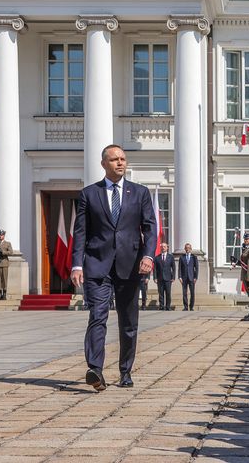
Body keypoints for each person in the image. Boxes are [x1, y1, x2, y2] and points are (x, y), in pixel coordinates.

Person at [71, 144, 157, 391]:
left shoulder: (139, 193)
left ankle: (125, 371)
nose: (120, 163)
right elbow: (81, 233)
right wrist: (77, 264)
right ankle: (95, 370)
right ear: (103, 164)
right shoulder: (89, 194)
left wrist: (149, 256)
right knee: (97, 317)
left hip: (130, 267)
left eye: (123, 159)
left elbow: (150, 229)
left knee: (128, 322)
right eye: (114, 159)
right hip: (97, 265)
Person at [154, 243, 175, 310]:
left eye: (164, 246)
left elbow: (173, 267)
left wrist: (173, 277)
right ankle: (161, 306)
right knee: (161, 293)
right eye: (162, 247)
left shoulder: (171, 257)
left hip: (168, 278)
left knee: (168, 293)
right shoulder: (157, 257)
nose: (163, 248)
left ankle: (168, 306)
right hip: (160, 278)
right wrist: (155, 278)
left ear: (167, 248)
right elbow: (155, 269)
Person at [178, 242, 198, 311]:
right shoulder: (182, 257)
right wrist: (179, 277)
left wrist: (196, 277)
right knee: (184, 293)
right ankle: (185, 307)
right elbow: (179, 268)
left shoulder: (194, 257)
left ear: (191, 249)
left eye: (189, 248)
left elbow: (196, 268)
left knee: (192, 293)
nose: (187, 249)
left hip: (191, 277)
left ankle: (191, 306)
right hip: (184, 278)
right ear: (184, 249)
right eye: (186, 248)